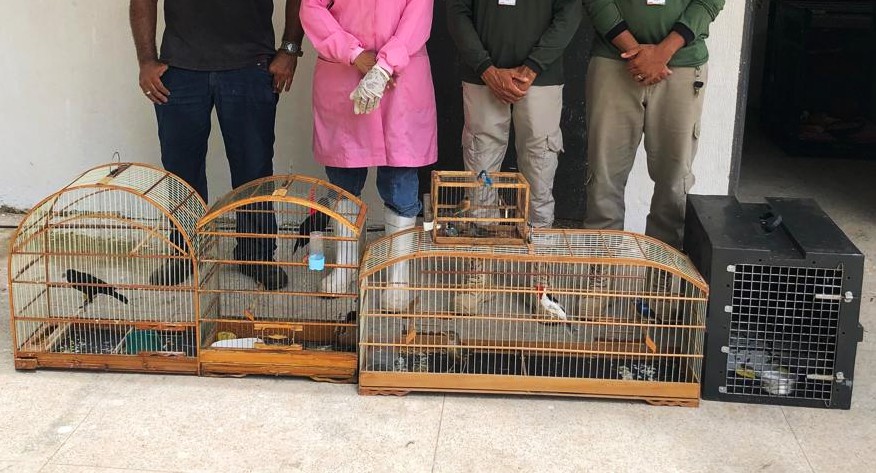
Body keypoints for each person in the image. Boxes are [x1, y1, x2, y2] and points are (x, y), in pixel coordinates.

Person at [129, 0, 304, 290]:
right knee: (182, 170)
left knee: (254, 169)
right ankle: (185, 252)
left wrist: (290, 49)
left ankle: (256, 255)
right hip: (180, 67)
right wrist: (146, 60)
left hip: (250, 65)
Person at [580, 0, 724, 315]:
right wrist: (636, 53)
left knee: (674, 184)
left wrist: (662, 53)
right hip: (613, 61)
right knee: (604, 178)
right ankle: (600, 276)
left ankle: (662, 283)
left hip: (681, 66)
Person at [300, 0, 438, 310]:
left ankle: (398, 275)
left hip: (400, 77)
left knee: (401, 178)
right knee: (343, 180)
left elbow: (419, 12)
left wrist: (386, 64)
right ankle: (346, 264)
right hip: (344, 72)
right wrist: (354, 53)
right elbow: (311, 7)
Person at [447, 0, 582, 230]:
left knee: (540, 156)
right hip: (482, 75)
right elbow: (457, 10)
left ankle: (537, 237)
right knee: (481, 154)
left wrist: (534, 65)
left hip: (542, 75)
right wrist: (484, 67)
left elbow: (570, 12)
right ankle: (482, 236)